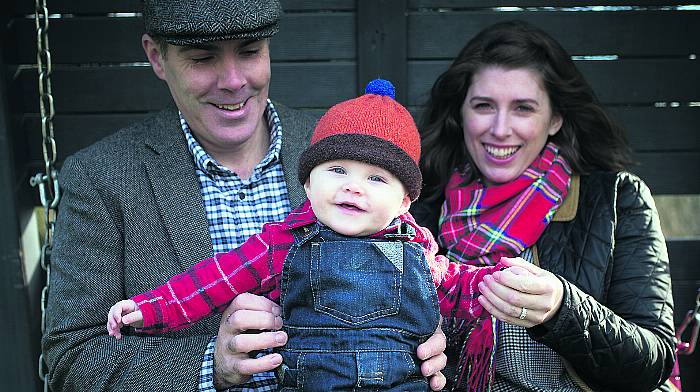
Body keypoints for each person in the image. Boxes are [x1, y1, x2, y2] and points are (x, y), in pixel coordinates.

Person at [41, 1, 447, 391]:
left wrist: (428, 334)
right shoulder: (101, 177)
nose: (233, 80)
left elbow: (418, 265)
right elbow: (70, 361)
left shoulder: (342, 152)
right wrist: (210, 366)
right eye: (203, 58)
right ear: (157, 56)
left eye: (250, 51)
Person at [106, 79, 508, 391]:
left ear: (405, 202)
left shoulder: (418, 253)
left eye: (375, 178)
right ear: (308, 185)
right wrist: (149, 309)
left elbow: (461, 289)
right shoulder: (283, 243)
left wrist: (505, 283)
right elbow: (211, 282)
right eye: (337, 171)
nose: (353, 187)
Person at [411, 20, 676, 391]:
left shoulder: (617, 200)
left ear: (555, 118)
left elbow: (655, 362)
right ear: (460, 113)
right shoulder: (419, 204)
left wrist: (562, 309)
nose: (500, 129)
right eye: (484, 105)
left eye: (523, 108)